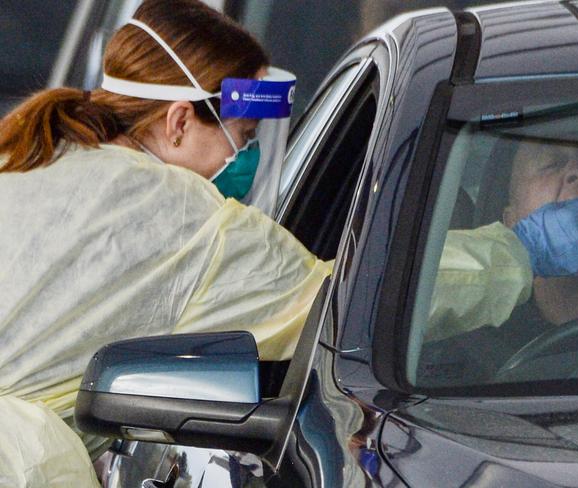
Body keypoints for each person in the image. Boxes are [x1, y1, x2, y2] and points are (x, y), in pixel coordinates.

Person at [0, 1, 331, 486]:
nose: (247, 157)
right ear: (178, 122)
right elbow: (348, 299)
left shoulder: (27, 154)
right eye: (243, 135)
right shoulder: (190, 219)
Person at [419, 132, 578, 386]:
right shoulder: (447, 356)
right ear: (511, 222)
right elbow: (384, 302)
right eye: (554, 162)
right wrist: (523, 249)